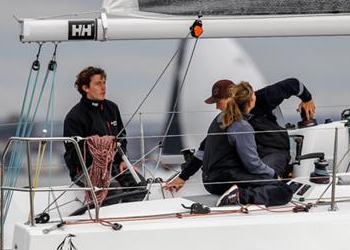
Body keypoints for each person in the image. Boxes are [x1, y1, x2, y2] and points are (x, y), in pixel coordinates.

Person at [165, 77, 315, 192]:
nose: (217, 107)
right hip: (256, 153)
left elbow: (293, 84)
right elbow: (205, 148)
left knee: (265, 178)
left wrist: (307, 99)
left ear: (232, 97)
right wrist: (183, 177)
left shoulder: (263, 98)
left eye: (218, 102)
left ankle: (273, 185)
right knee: (252, 173)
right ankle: (243, 193)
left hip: (276, 151)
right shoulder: (229, 119)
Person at [196, 81, 294, 207]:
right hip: (225, 181)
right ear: (250, 102)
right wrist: (274, 175)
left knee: (267, 180)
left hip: (210, 183)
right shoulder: (241, 126)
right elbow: (253, 165)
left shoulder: (218, 120)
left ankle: (239, 193)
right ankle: (240, 196)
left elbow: (203, 152)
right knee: (284, 190)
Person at [63, 66, 144, 203]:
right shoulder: (74, 117)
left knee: (139, 185)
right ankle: (104, 221)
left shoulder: (112, 108)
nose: (103, 87)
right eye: (98, 83)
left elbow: (121, 137)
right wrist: (99, 165)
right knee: (113, 189)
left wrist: (123, 160)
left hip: (114, 165)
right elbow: (73, 152)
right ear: (85, 88)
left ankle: (125, 219)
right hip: (86, 170)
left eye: (104, 83)